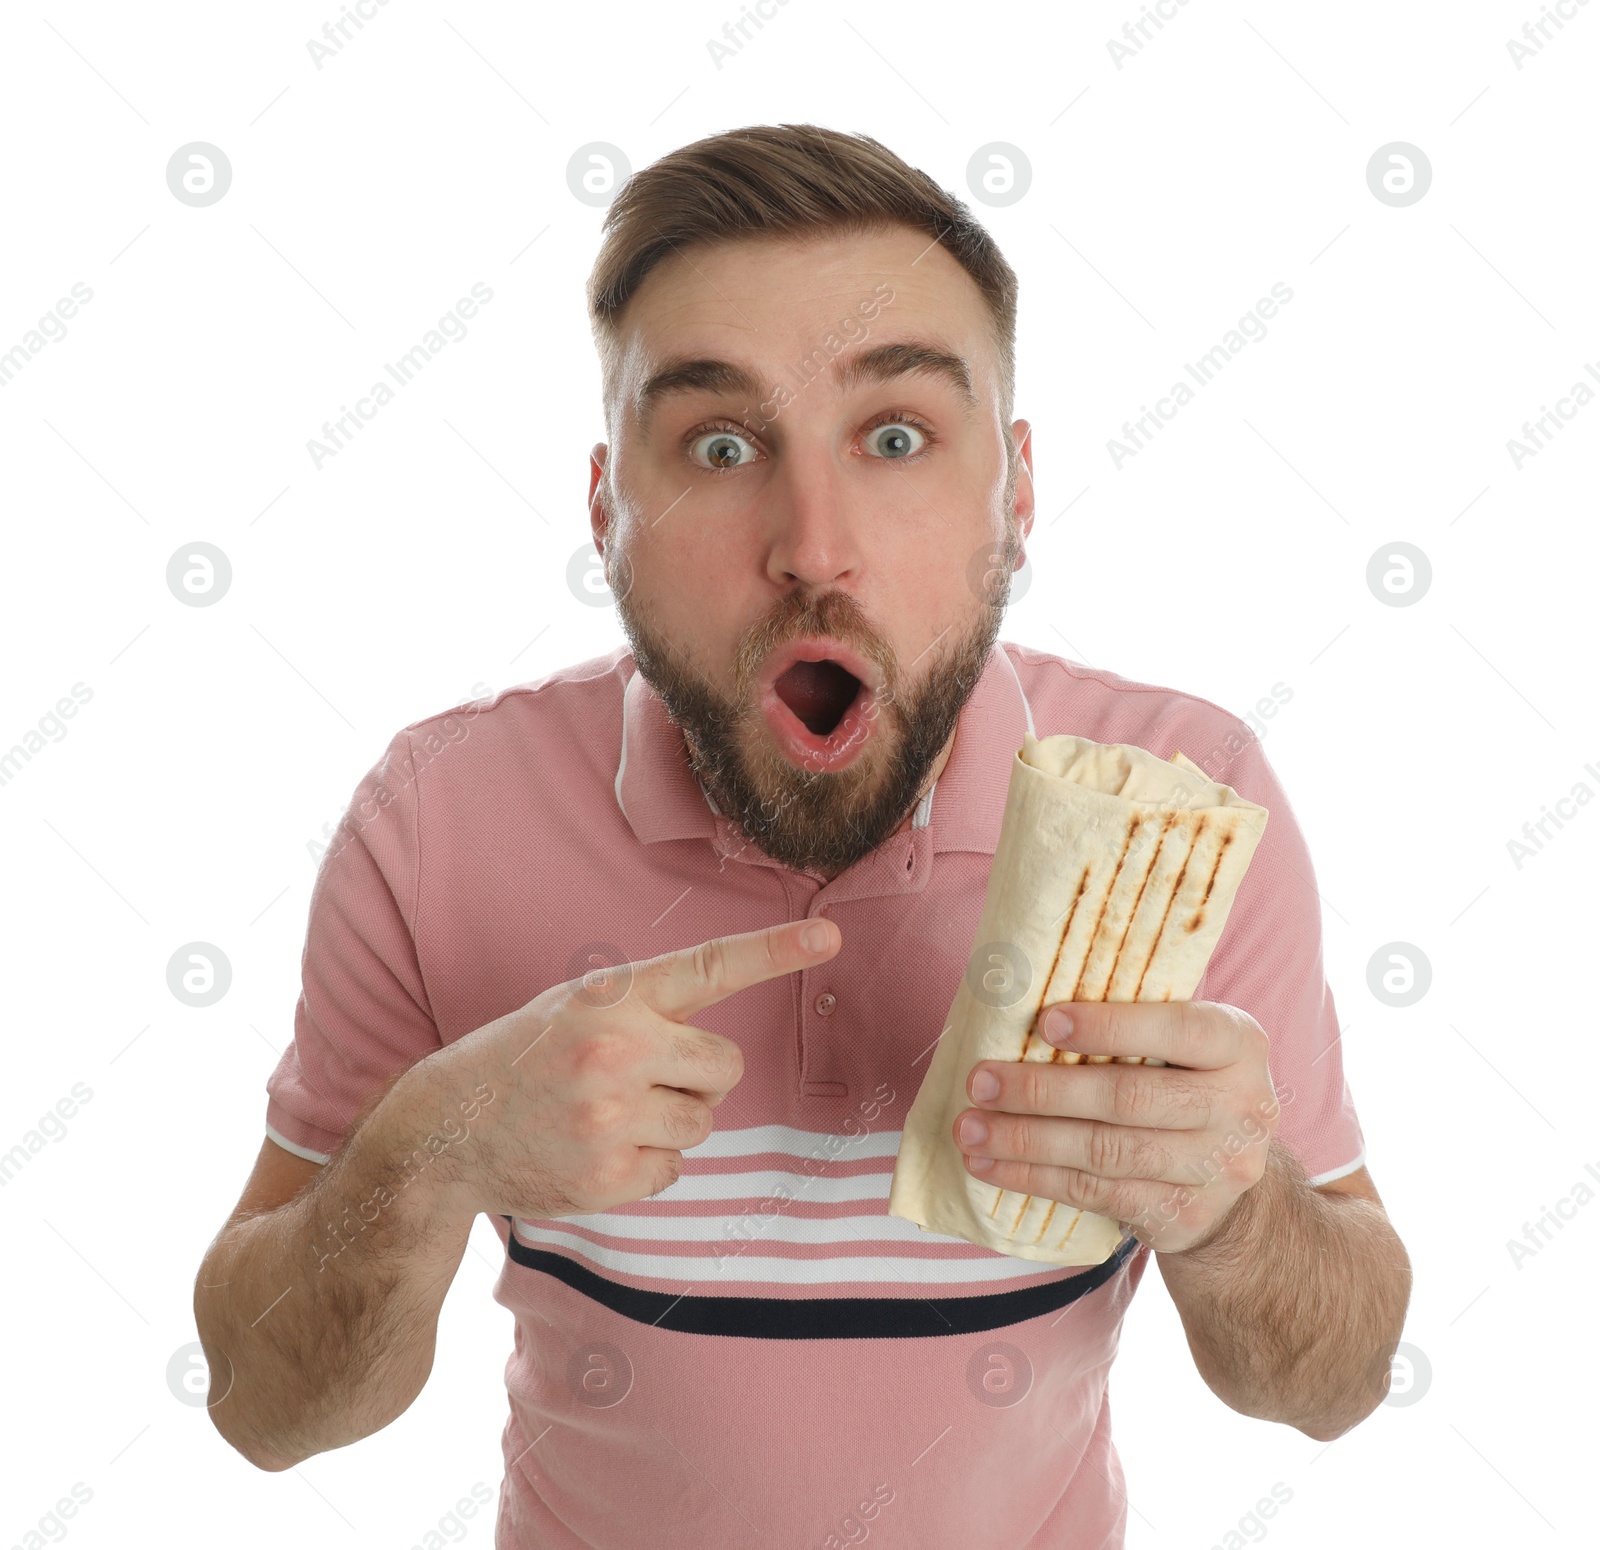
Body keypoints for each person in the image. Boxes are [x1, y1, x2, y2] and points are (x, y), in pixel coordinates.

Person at [193, 123, 1410, 1549]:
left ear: (1015, 495)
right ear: (607, 509)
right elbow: (266, 1411)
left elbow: (1332, 1386)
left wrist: (1239, 1212)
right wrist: (429, 1152)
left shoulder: (1190, 794)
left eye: (896, 436)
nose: (814, 544)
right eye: (720, 442)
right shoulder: (436, 816)